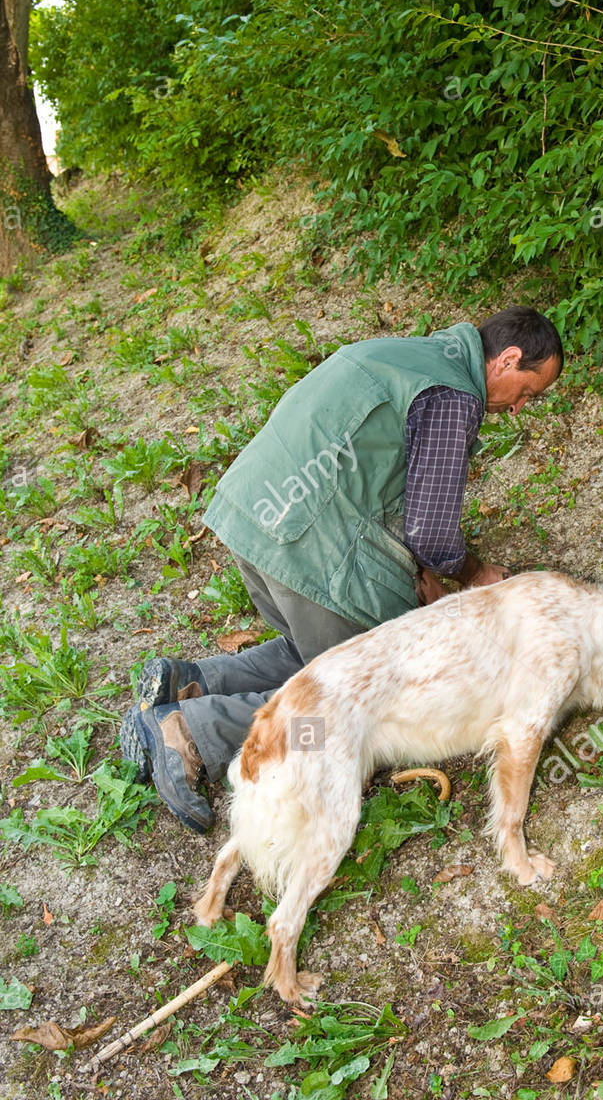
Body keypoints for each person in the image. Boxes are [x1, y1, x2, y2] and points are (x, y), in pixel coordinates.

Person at [120, 306, 563, 831]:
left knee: (319, 653)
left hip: (252, 524)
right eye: (529, 392)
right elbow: (432, 531)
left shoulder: (408, 355)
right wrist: (472, 572)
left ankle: (193, 682)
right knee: (350, 704)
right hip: (308, 548)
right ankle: (193, 732)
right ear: (508, 359)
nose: (519, 408)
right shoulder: (453, 397)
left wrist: (418, 565)